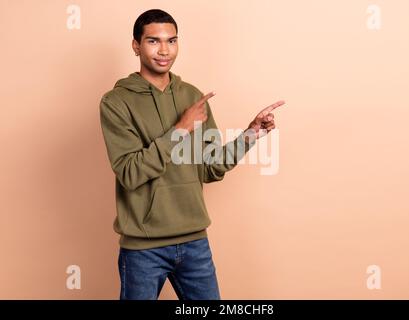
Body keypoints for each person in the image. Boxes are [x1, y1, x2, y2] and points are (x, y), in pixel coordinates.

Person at [99, 9, 284, 300]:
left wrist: (252, 133)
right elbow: (130, 172)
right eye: (153, 41)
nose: (164, 50)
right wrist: (180, 129)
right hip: (143, 249)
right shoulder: (116, 102)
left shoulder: (192, 97)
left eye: (172, 41)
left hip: (194, 242)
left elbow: (211, 168)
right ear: (136, 46)